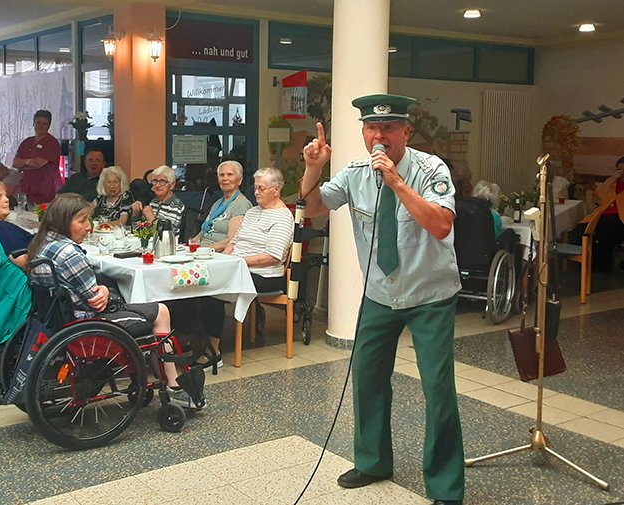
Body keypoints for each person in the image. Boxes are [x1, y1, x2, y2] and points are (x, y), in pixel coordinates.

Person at [300, 94, 463, 505]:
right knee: (368, 379)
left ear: (405, 132)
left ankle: (444, 487)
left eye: (388, 128)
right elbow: (315, 207)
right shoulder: (355, 174)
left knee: (438, 388)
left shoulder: (430, 169)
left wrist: (396, 182)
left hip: (431, 296)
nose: (378, 135)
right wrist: (312, 169)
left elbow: (441, 225)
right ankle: (372, 462)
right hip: (380, 293)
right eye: (371, 128)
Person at [23, 193, 201, 408]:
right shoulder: (68, 253)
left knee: (139, 303)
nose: (88, 227)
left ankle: (153, 379)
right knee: (161, 311)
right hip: (87, 323)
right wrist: (106, 291)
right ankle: (172, 386)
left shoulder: (42, 244)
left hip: (60, 319)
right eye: (82, 221)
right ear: (63, 221)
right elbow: (97, 301)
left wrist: (105, 290)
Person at [174, 167, 293, 367]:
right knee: (192, 283)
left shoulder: (282, 217)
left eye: (261, 189)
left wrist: (237, 263)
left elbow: (273, 256)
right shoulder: (253, 211)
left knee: (210, 290)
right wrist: (225, 260)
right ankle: (182, 341)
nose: (256, 192)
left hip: (263, 274)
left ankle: (214, 352)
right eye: (255, 188)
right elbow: (233, 242)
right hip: (239, 268)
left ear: (276, 189)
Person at [192, 160, 252, 251]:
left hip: (218, 254)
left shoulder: (241, 205)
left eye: (230, 174)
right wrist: (191, 244)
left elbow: (231, 241)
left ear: (239, 180)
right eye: (222, 175)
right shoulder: (217, 203)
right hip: (203, 250)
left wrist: (204, 249)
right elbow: (204, 232)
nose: (225, 178)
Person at [583, 156, 624, 271]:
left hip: (620, 220)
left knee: (607, 228)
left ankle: (602, 265)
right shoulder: (611, 184)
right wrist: (611, 179)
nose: (622, 174)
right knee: (583, 228)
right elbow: (599, 194)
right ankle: (590, 262)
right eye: (619, 171)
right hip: (602, 216)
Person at [13, 110, 62, 205]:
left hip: (45, 190)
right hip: (27, 189)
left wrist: (21, 165)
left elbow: (37, 164)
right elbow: (15, 163)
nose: (41, 126)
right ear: (33, 123)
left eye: (44, 123)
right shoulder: (27, 142)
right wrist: (27, 162)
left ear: (49, 125)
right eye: (38, 123)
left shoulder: (52, 143)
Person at [131, 165, 186, 239]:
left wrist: (151, 218)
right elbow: (139, 232)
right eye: (155, 181)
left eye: (162, 181)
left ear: (172, 185)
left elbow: (166, 235)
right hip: (150, 245)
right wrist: (136, 215)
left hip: (167, 246)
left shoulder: (176, 205)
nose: (157, 185)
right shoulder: (154, 202)